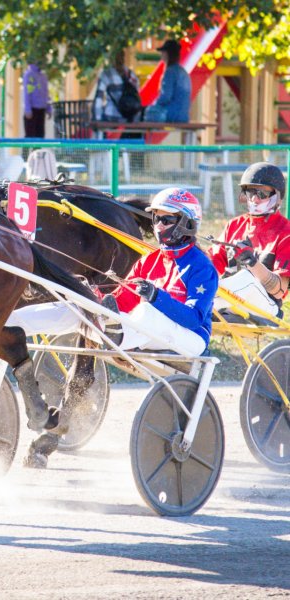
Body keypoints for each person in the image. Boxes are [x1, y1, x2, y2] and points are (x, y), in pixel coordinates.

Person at [22, 187, 219, 468]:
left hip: (189, 339)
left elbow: (193, 318)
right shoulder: (149, 260)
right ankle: (13, 324)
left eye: (166, 220)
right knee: (79, 309)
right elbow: (122, 300)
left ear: (186, 223)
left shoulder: (201, 267)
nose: (158, 226)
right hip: (142, 329)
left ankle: (113, 331)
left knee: (145, 310)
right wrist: (92, 298)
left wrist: (155, 296)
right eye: (156, 219)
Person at [208, 162, 290, 320]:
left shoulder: (286, 232)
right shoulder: (234, 225)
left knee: (246, 278)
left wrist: (252, 263)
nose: (254, 199)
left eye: (261, 193)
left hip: (266, 307)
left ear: (277, 195)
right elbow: (211, 266)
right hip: (230, 302)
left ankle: (197, 303)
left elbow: (279, 291)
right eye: (250, 192)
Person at [144, 40, 191, 123]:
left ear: (168, 54)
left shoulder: (170, 72)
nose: (161, 54)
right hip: (184, 116)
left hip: (170, 114)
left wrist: (154, 105)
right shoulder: (183, 72)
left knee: (145, 113)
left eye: (163, 52)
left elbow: (165, 96)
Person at [92, 51, 141, 123]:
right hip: (129, 117)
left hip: (111, 116)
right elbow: (136, 94)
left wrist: (97, 118)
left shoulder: (106, 75)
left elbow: (98, 100)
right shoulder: (131, 75)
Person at [23, 64, 52, 138]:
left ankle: (38, 150)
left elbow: (46, 92)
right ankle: (27, 150)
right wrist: (27, 109)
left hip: (41, 109)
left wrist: (49, 108)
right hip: (32, 109)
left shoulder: (43, 75)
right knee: (29, 136)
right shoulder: (28, 74)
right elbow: (27, 92)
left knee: (40, 135)